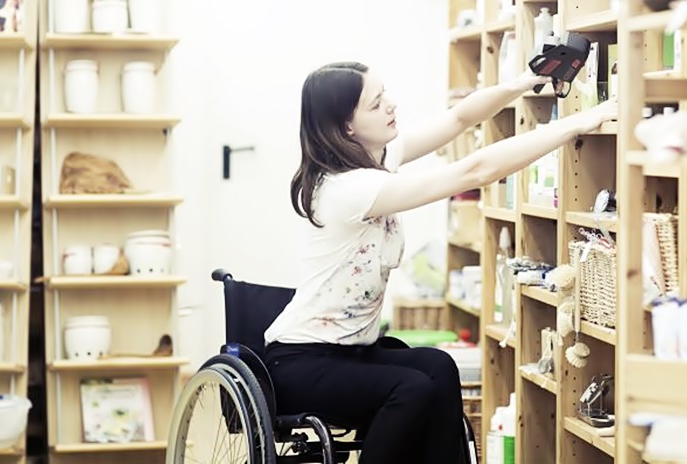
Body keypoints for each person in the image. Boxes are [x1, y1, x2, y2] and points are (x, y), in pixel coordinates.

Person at [263, 61, 617, 464]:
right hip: (301, 362)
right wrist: (578, 123)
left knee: (437, 367)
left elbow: (460, 118)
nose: (392, 106)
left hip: (349, 352)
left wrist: (525, 82)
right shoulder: (349, 188)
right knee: (412, 389)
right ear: (347, 125)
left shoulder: (372, 159)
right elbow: (477, 169)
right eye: (377, 103)